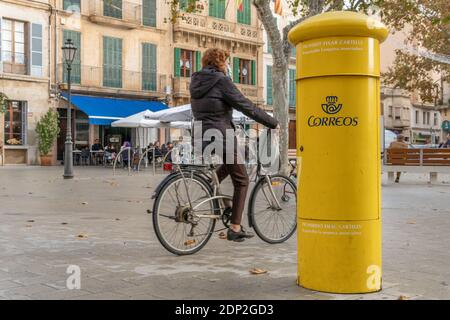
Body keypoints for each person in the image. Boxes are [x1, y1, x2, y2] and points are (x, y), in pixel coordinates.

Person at [190, 48, 279, 242]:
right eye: (227, 62)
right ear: (221, 63)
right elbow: (245, 105)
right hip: (221, 135)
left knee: (231, 168)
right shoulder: (221, 81)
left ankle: (219, 195)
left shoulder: (196, 82)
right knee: (242, 180)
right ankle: (235, 227)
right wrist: (272, 122)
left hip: (200, 135)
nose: (228, 67)